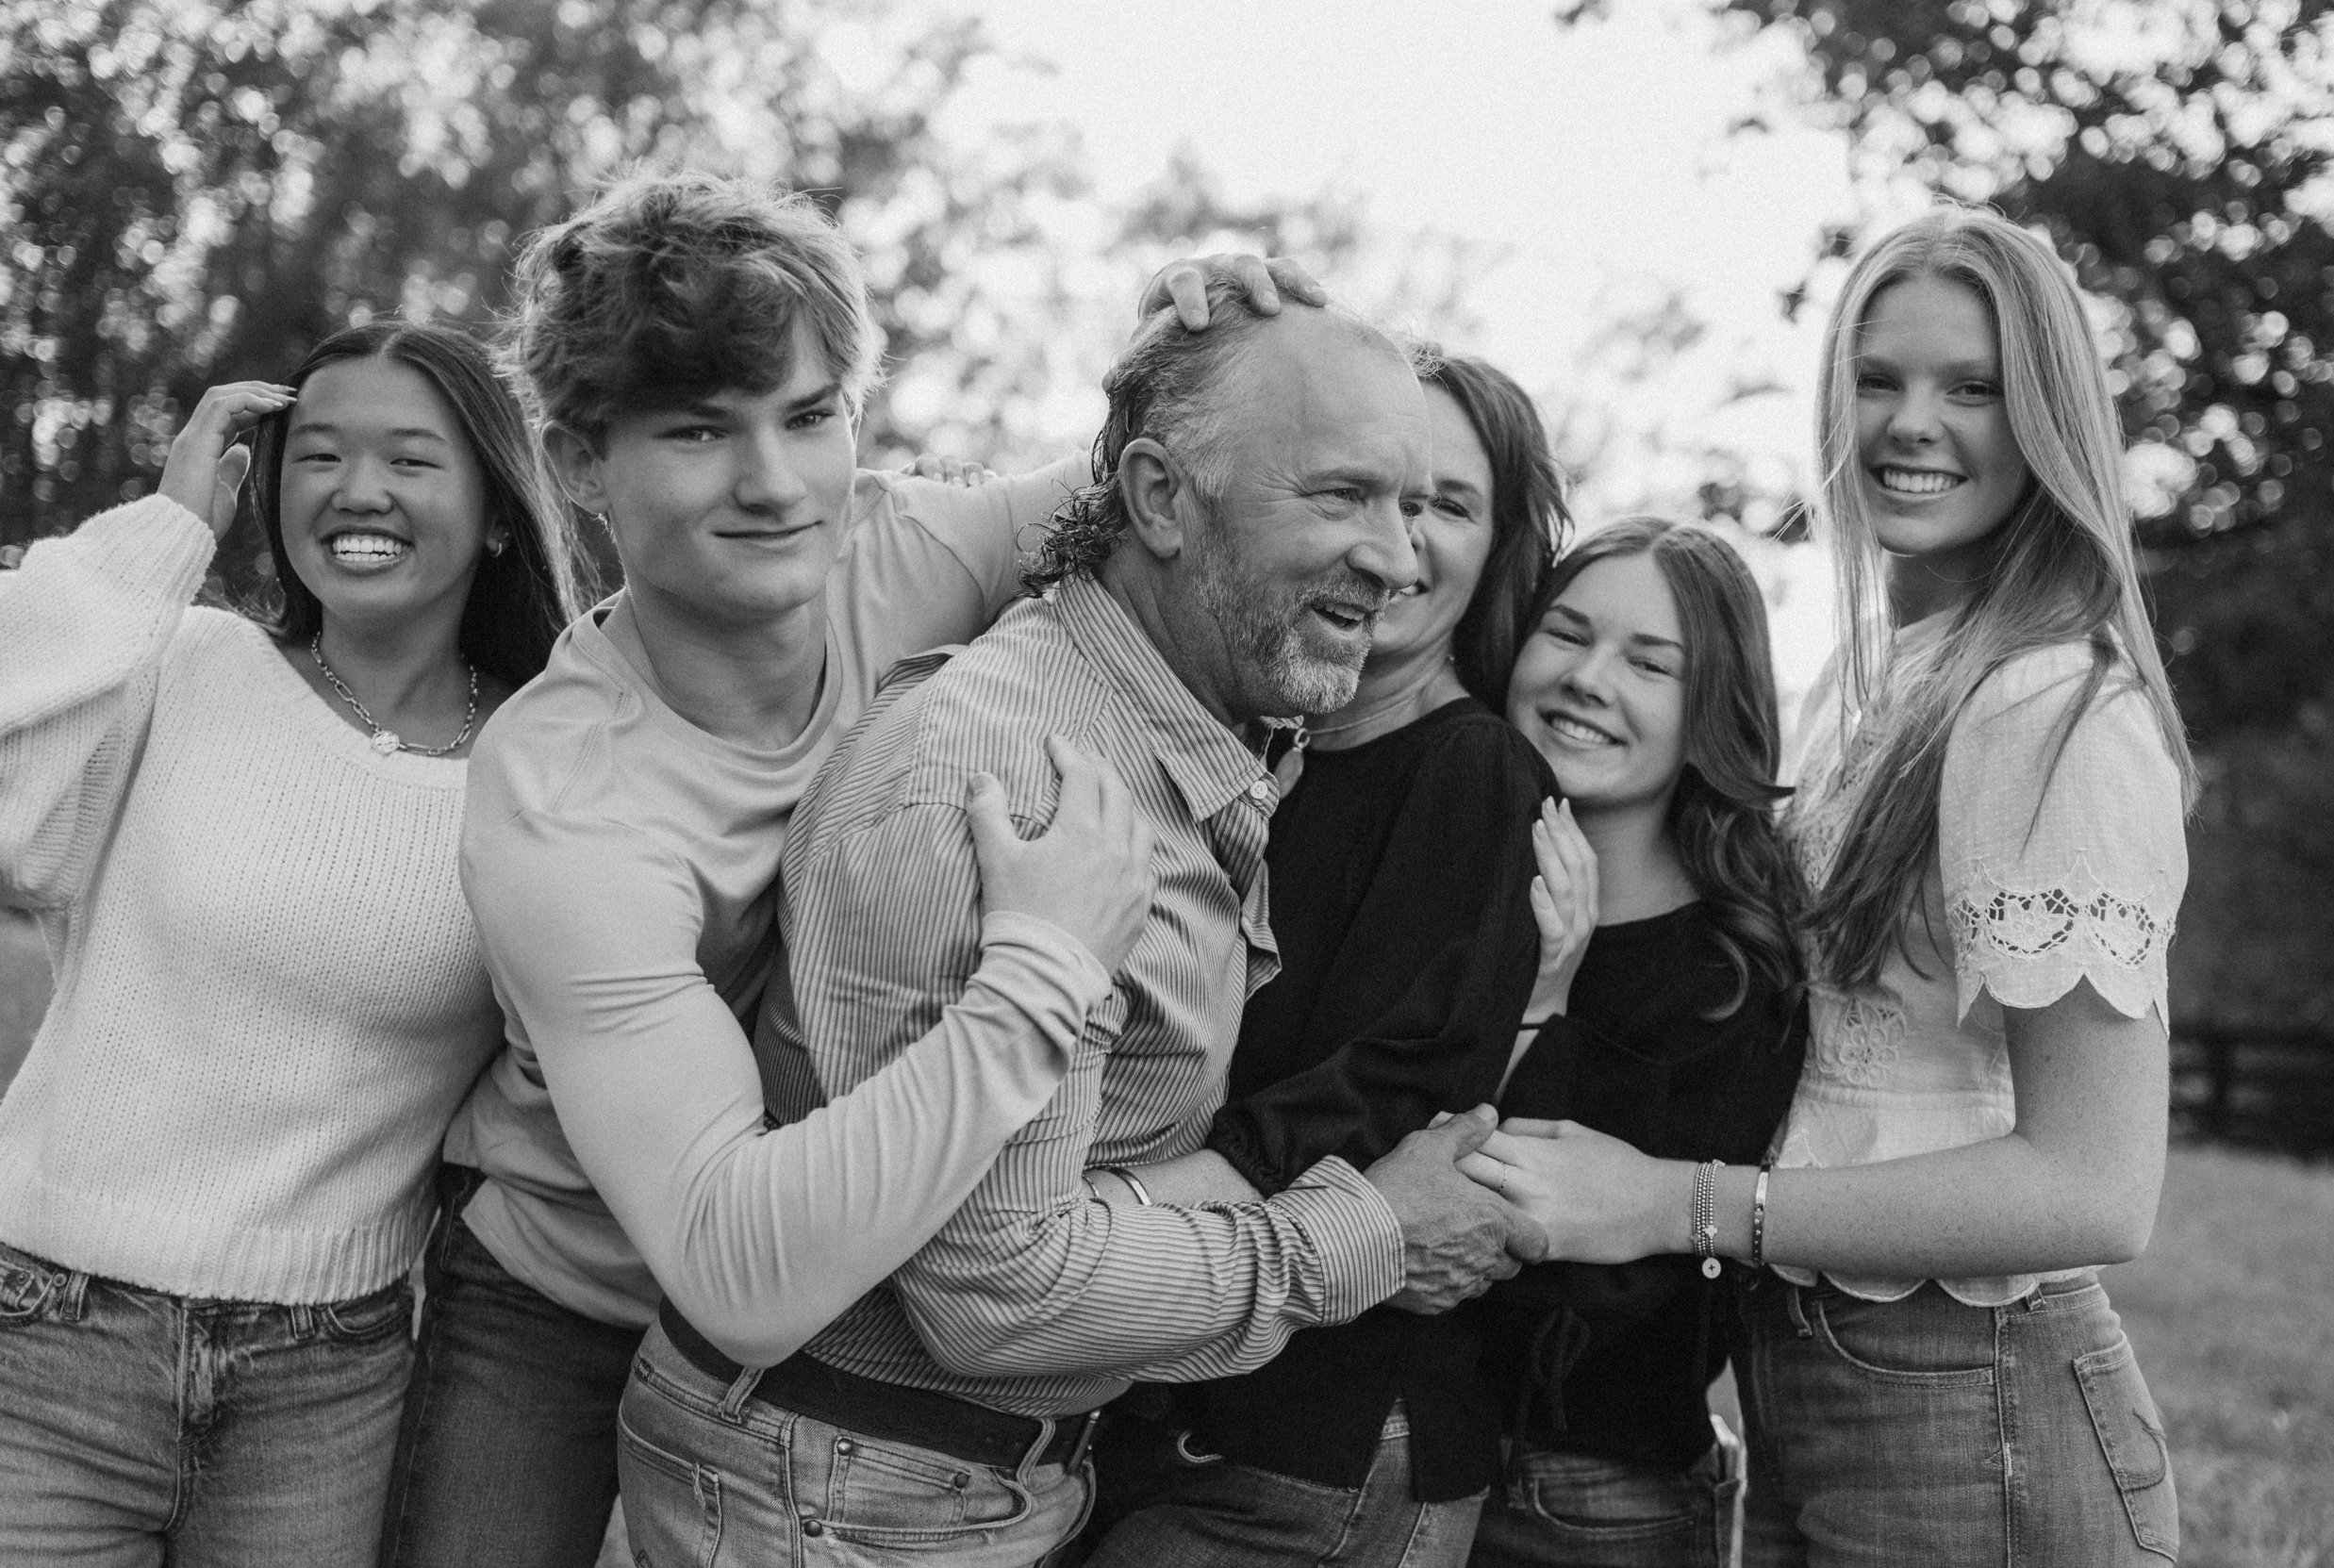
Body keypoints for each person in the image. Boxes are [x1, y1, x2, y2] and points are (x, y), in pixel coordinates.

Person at [382, 173, 1283, 1567]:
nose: (774, 483)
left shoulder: (899, 545)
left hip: (844, 1321)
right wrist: (1043, 969)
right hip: (573, 1284)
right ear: (575, 462)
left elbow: (1151, 481)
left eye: (809, 416)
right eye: (698, 430)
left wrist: (1195, 335)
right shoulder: (565, 797)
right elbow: (733, 1268)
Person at [618, 279, 1547, 1566]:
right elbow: (997, 1297)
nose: (1394, 558)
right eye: (1343, 495)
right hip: (845, 1492)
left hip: (959, 1475)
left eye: (1412, 504)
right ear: (1161, 499)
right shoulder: (1019, 789)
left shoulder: (1181, 734)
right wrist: (1368, 1233)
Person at [1461, 206, 2193, 1565]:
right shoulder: (1881, 680)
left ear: (2047, 415)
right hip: (1812, 1372)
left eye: (1973, 387)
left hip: (1975, 1391)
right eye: (1877, 378)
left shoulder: (2049, 704)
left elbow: (2098, 1185)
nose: (1911, 422)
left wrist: (1676, 1200)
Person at [0, 319, 585, 1561]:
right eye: (318, 454)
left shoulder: (553, 764)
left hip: (324, 1385)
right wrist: (164, 533)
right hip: (44, 1333)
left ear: (496, 511)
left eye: (410, 459)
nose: (358, 489)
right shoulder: (182, 663)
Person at [1077, 345, 1569, 1568]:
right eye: (1367, 490)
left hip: (1324, 1448)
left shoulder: (1472, 769)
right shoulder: (1254, 754)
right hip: (1182, 1397)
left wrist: (1111, 1221)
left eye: (1446, 504)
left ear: (1498, 553)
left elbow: (1392, 1085)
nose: (1399, 540)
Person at [1467, 519, 1807, 1568]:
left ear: (1709, 714)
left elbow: (1551, 1258)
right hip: (1394, 1458)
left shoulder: (1733, 973)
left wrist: (1548, 999)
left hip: (1588, 1495)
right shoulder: (1451, 888)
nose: (1588, 678)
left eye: (1649, 664)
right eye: (1567, 634)